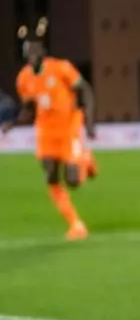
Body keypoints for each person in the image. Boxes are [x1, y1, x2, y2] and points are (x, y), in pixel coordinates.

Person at [3, 35, 96, 239]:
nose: (32, 54)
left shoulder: (61, 68)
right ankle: (76, 225)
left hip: (69, 126)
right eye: (28, 51)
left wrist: (89, 121)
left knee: (72, 180)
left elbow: (86, 89)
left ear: (43, 52)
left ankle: (86, 159)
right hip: (45, 131)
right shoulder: (23, 79)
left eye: (35, 50)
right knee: (51, 177)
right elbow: (29, 108)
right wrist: (14, 123)